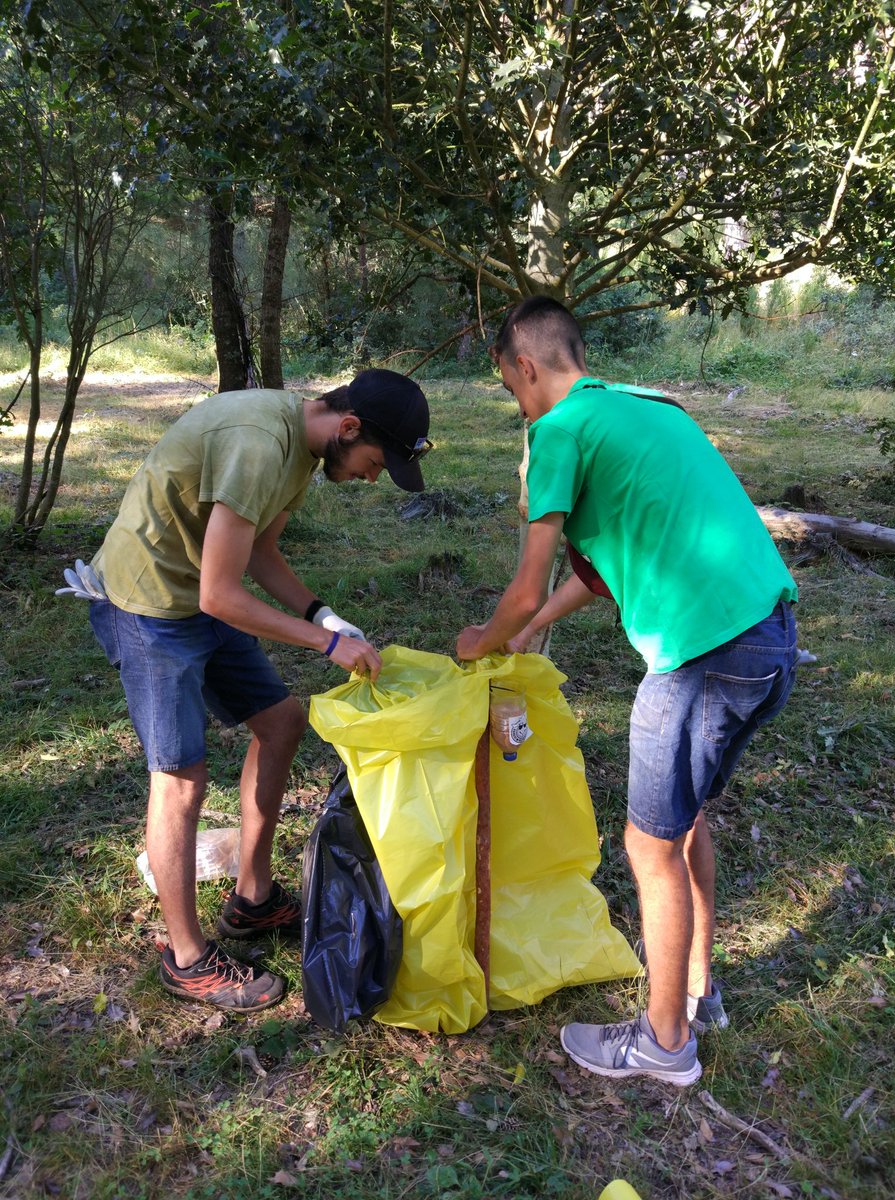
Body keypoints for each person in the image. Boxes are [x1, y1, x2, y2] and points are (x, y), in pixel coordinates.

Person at [456, 297, 797, 1086]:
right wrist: (529, 626)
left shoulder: (557, 431)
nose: (516, 401)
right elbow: (599, 571)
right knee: (682, 823)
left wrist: (483, 637)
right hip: (767, 635)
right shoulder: (644, 411)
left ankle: (664, 1042)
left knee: (648, 845)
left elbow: (526, 578)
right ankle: (698, 993)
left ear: (525, 367)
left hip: (703, 652)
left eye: (509, 385)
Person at [59, 369, 432, 1013]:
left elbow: (257, 550)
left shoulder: (302, 449)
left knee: (282, 722)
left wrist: (321, 615)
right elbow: (220, 594)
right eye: (377, 462)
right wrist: (325, 644)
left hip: (200, 597)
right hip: (150, 606)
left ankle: (252, 900)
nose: (374, 478)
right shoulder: (258, 442)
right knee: (181, 780)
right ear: (348, 428)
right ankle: (185, 957)